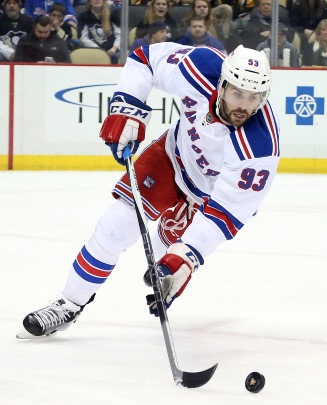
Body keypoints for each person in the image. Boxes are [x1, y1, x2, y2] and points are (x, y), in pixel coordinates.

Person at [17, 44, 281, 339]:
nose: (245, 105)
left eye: (254, 97)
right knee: (114, 228)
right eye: (237, 93)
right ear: (222, 84)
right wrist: (127, 109)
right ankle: (68, 304)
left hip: (206, 199)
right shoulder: (200, 66)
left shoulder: (259, 149)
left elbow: (225, 214)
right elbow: (144, 59)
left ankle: (166, 262)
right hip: (171, 158)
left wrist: (185, 258)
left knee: (165, 262)